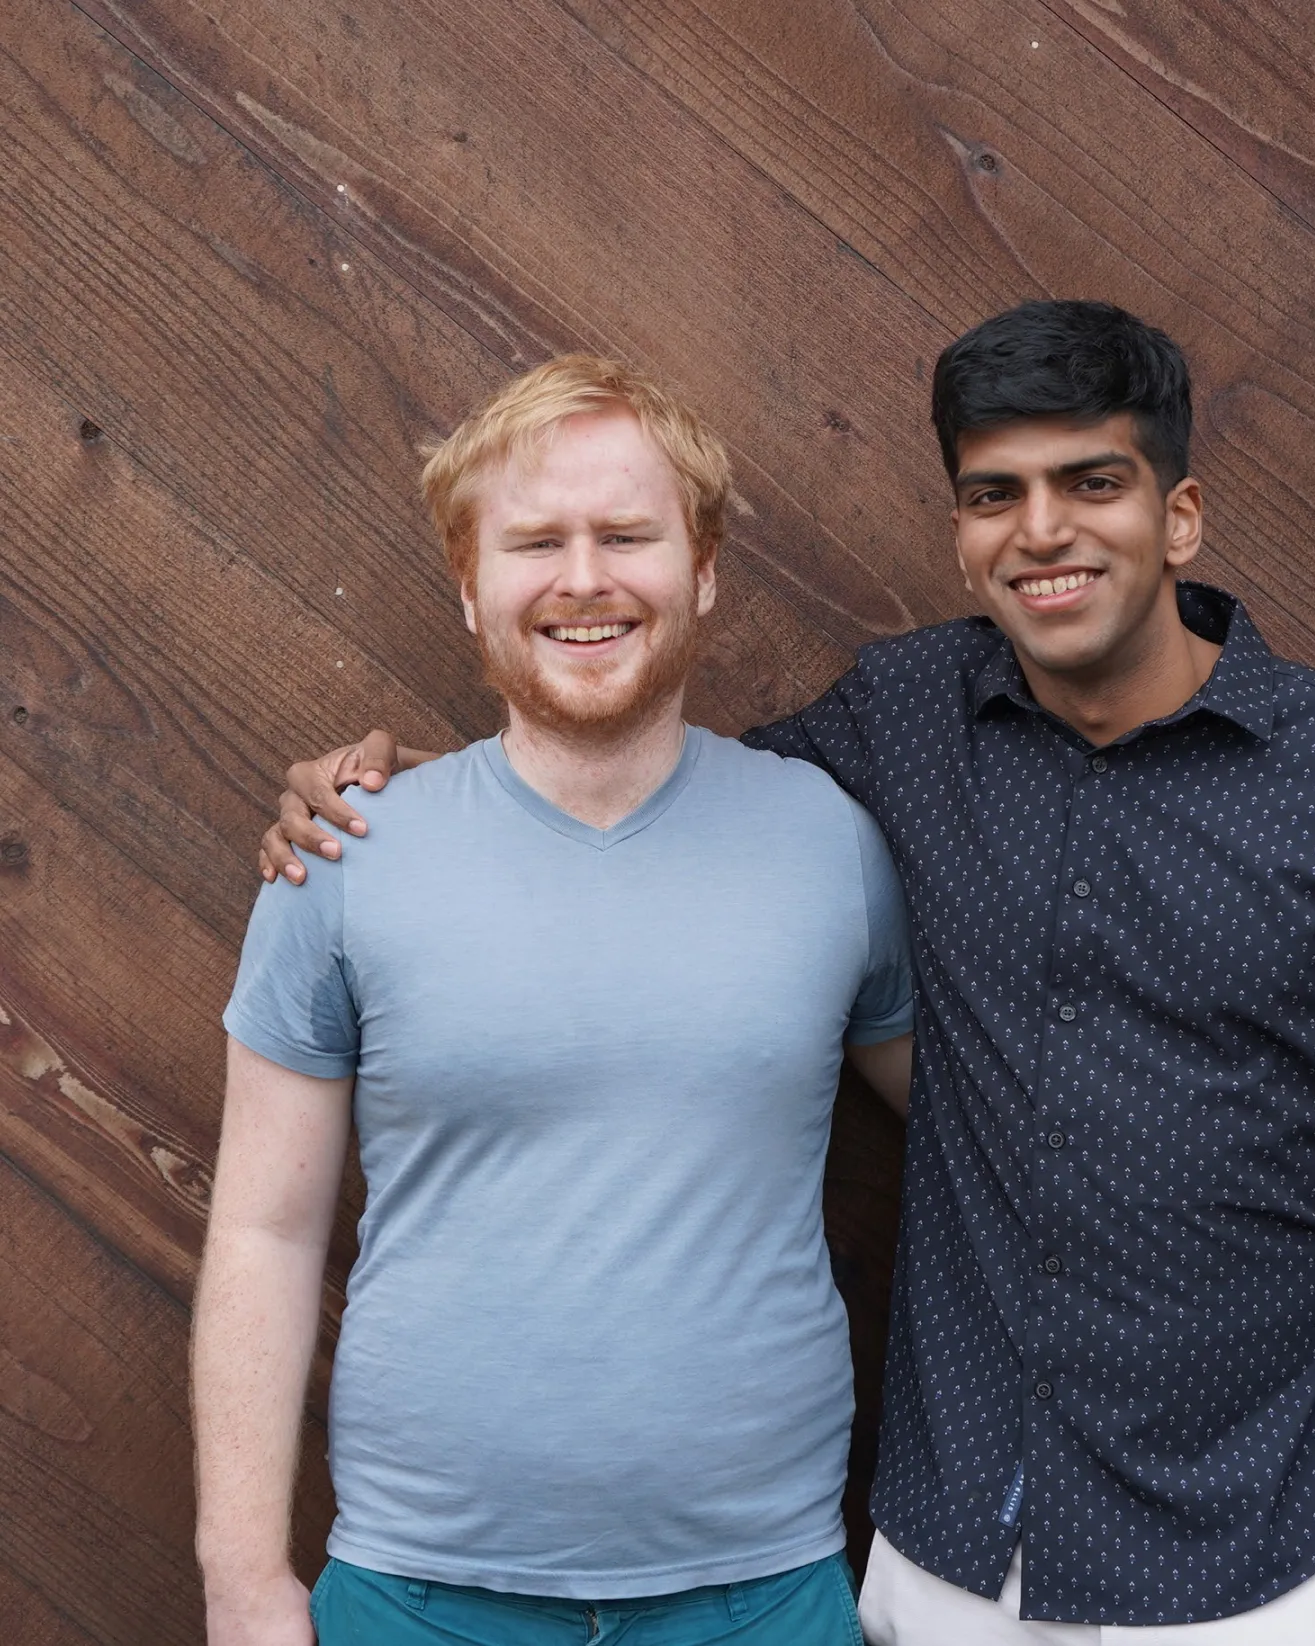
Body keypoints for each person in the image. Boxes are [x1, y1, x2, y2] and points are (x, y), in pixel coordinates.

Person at [262, 306, 1315, 1644]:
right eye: (995, 493)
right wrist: (408, 806)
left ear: (1178, 516)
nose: (1043, 529)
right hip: (945, 1566)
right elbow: (627, 777)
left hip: (1260, 1561)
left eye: (1093, 483)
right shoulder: (901, 720)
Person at [193, 354, 922, 1646]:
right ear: (470, 588)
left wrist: (1278, 1240)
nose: (583, 576)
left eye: (626, 534)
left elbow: (992, 1129)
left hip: (760, 1596)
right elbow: (264, 1228)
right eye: (535, 541)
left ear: (699, 571)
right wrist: (244, 1580)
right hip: (419, 1597)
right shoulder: (343, 861)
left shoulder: (830, 843)